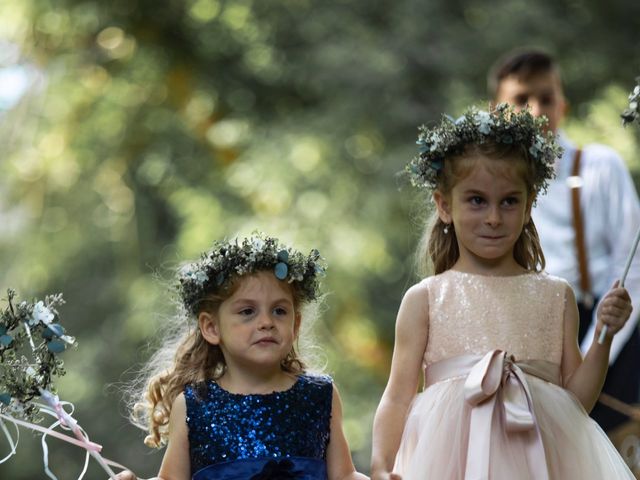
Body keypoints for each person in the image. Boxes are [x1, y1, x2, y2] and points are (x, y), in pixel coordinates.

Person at [370, 104, 635, 479]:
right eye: (477, 200)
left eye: (509, 201)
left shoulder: (556, 297)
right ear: (445, 205)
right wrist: (382, 465)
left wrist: (605, 335)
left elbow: (576, 402)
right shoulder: (426, 298)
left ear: (529, 206)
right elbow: (397, 397)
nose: (494, 217)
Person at [113, 233, 369, 480]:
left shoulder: (320, 395)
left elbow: (344, 474)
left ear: (296, 325)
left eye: (279, 311)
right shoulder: (194, 404)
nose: (267, 322)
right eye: (248, 311)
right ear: (211, 327)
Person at [489, 48, 640, 433]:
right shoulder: (488, 185)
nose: (537, 111)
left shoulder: (599, 167)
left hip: (603, 338)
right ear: (496, 109)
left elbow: (633, 268)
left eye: (546, 98)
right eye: (522, 100)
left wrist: (595, 350)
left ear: (563, 105)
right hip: (518, 348)